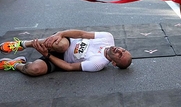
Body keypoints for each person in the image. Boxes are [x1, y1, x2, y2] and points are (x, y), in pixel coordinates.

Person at [0, 30, 132, 76]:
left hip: (58, 60)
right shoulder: (108, 38)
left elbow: (69, 67)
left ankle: (16, 64)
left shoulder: (98, 64)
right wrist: (61, 34)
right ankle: (22, 44)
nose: (119, 50)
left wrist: (47, 55)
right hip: (64, 42)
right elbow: (82, 34)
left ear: (114, 63)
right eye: (123, 50)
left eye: (120, 55)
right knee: (61, 45)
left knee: (35, 69)